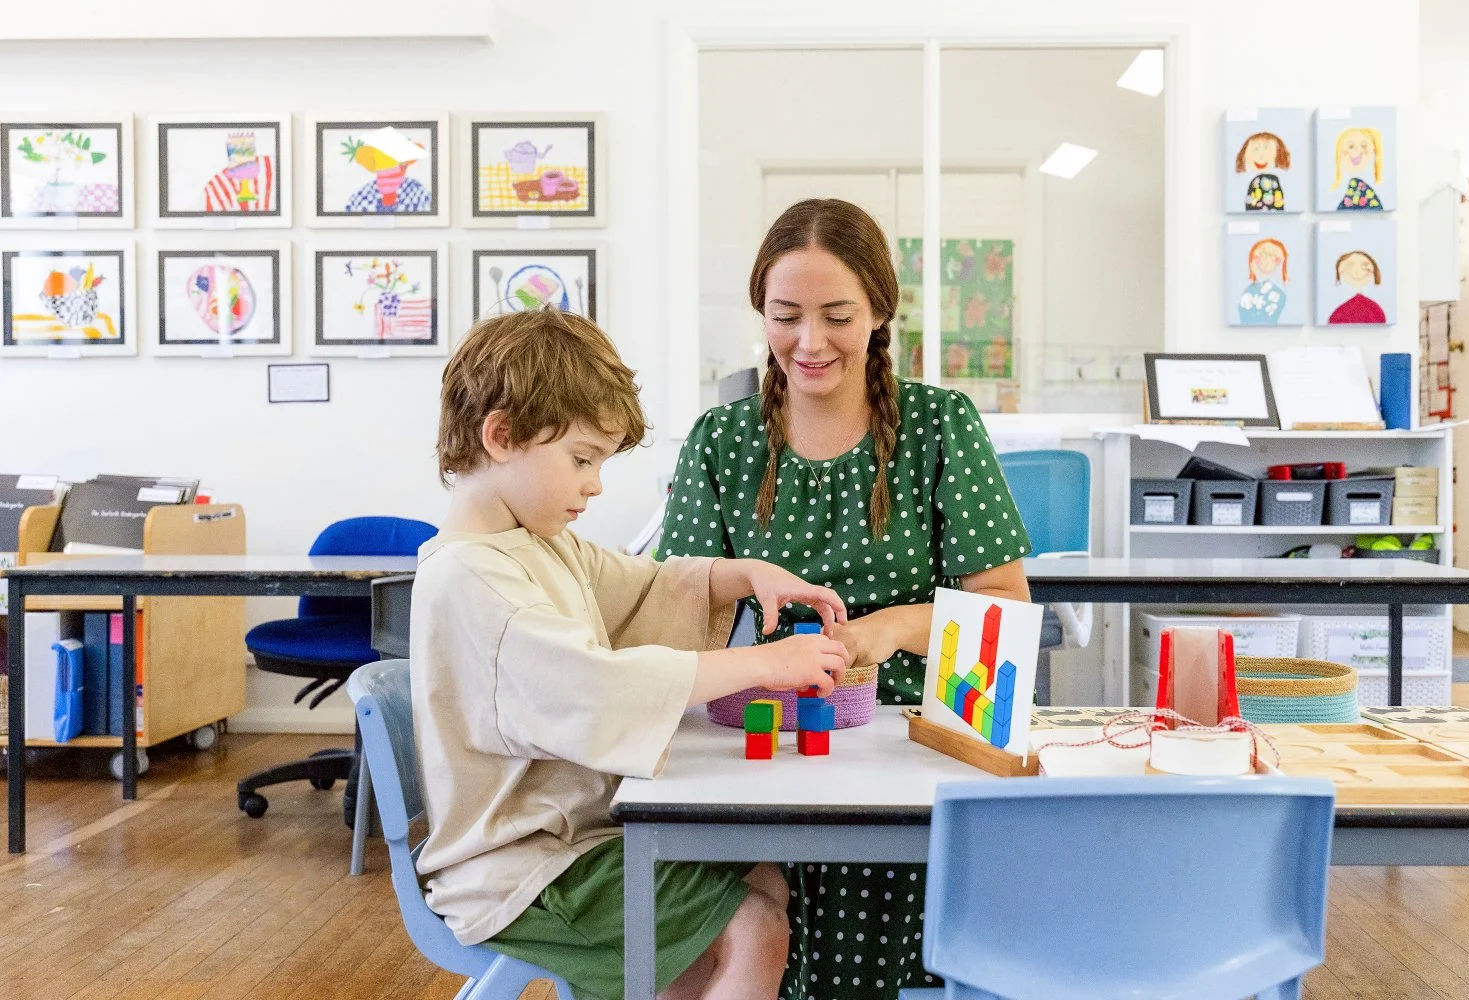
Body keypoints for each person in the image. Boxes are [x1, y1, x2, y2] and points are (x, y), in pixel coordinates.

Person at [410, 307, 853, 1000]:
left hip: (573, 843)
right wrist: (769, 663)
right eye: (582, 459)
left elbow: (647, 586)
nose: (594, 484)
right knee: (755, 925)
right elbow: (598, 687)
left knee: (759, 874)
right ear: (501, 436)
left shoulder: (538, 544)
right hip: (524, 870)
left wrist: (745, 574)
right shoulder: (473, 577)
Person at [660, 198, 1033, 999]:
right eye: (785, 316)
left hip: (907, 755)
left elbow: (1005, 612)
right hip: (750, 753)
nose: (809, 342)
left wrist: (892, 628)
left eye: (836, 316)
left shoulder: (941, 427)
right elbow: (670, 611)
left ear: (879, 313)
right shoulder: (721, 442)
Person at [1237, 237, 1289, 324]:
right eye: (1257, 257)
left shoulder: (1277, 294)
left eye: (1274, 258)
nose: (1261, 260)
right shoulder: (1249, 290)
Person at [1234, 131, 1291, 211]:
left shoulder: (1272, 180)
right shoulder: (1255, 181)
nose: (1261, 156)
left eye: (1266, 149)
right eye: (1255, 149)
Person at [1330, 126, 1384, 210]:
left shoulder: (1361, 188)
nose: (1357, 150)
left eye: (1364, 146)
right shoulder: (1340, 188)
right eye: (1351, 146)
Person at [1328, 250, 1387, 324]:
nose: (1365, 268)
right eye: (1351, 265)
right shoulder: (1339, 311)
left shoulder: (1373, 308)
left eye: (1365, 264)